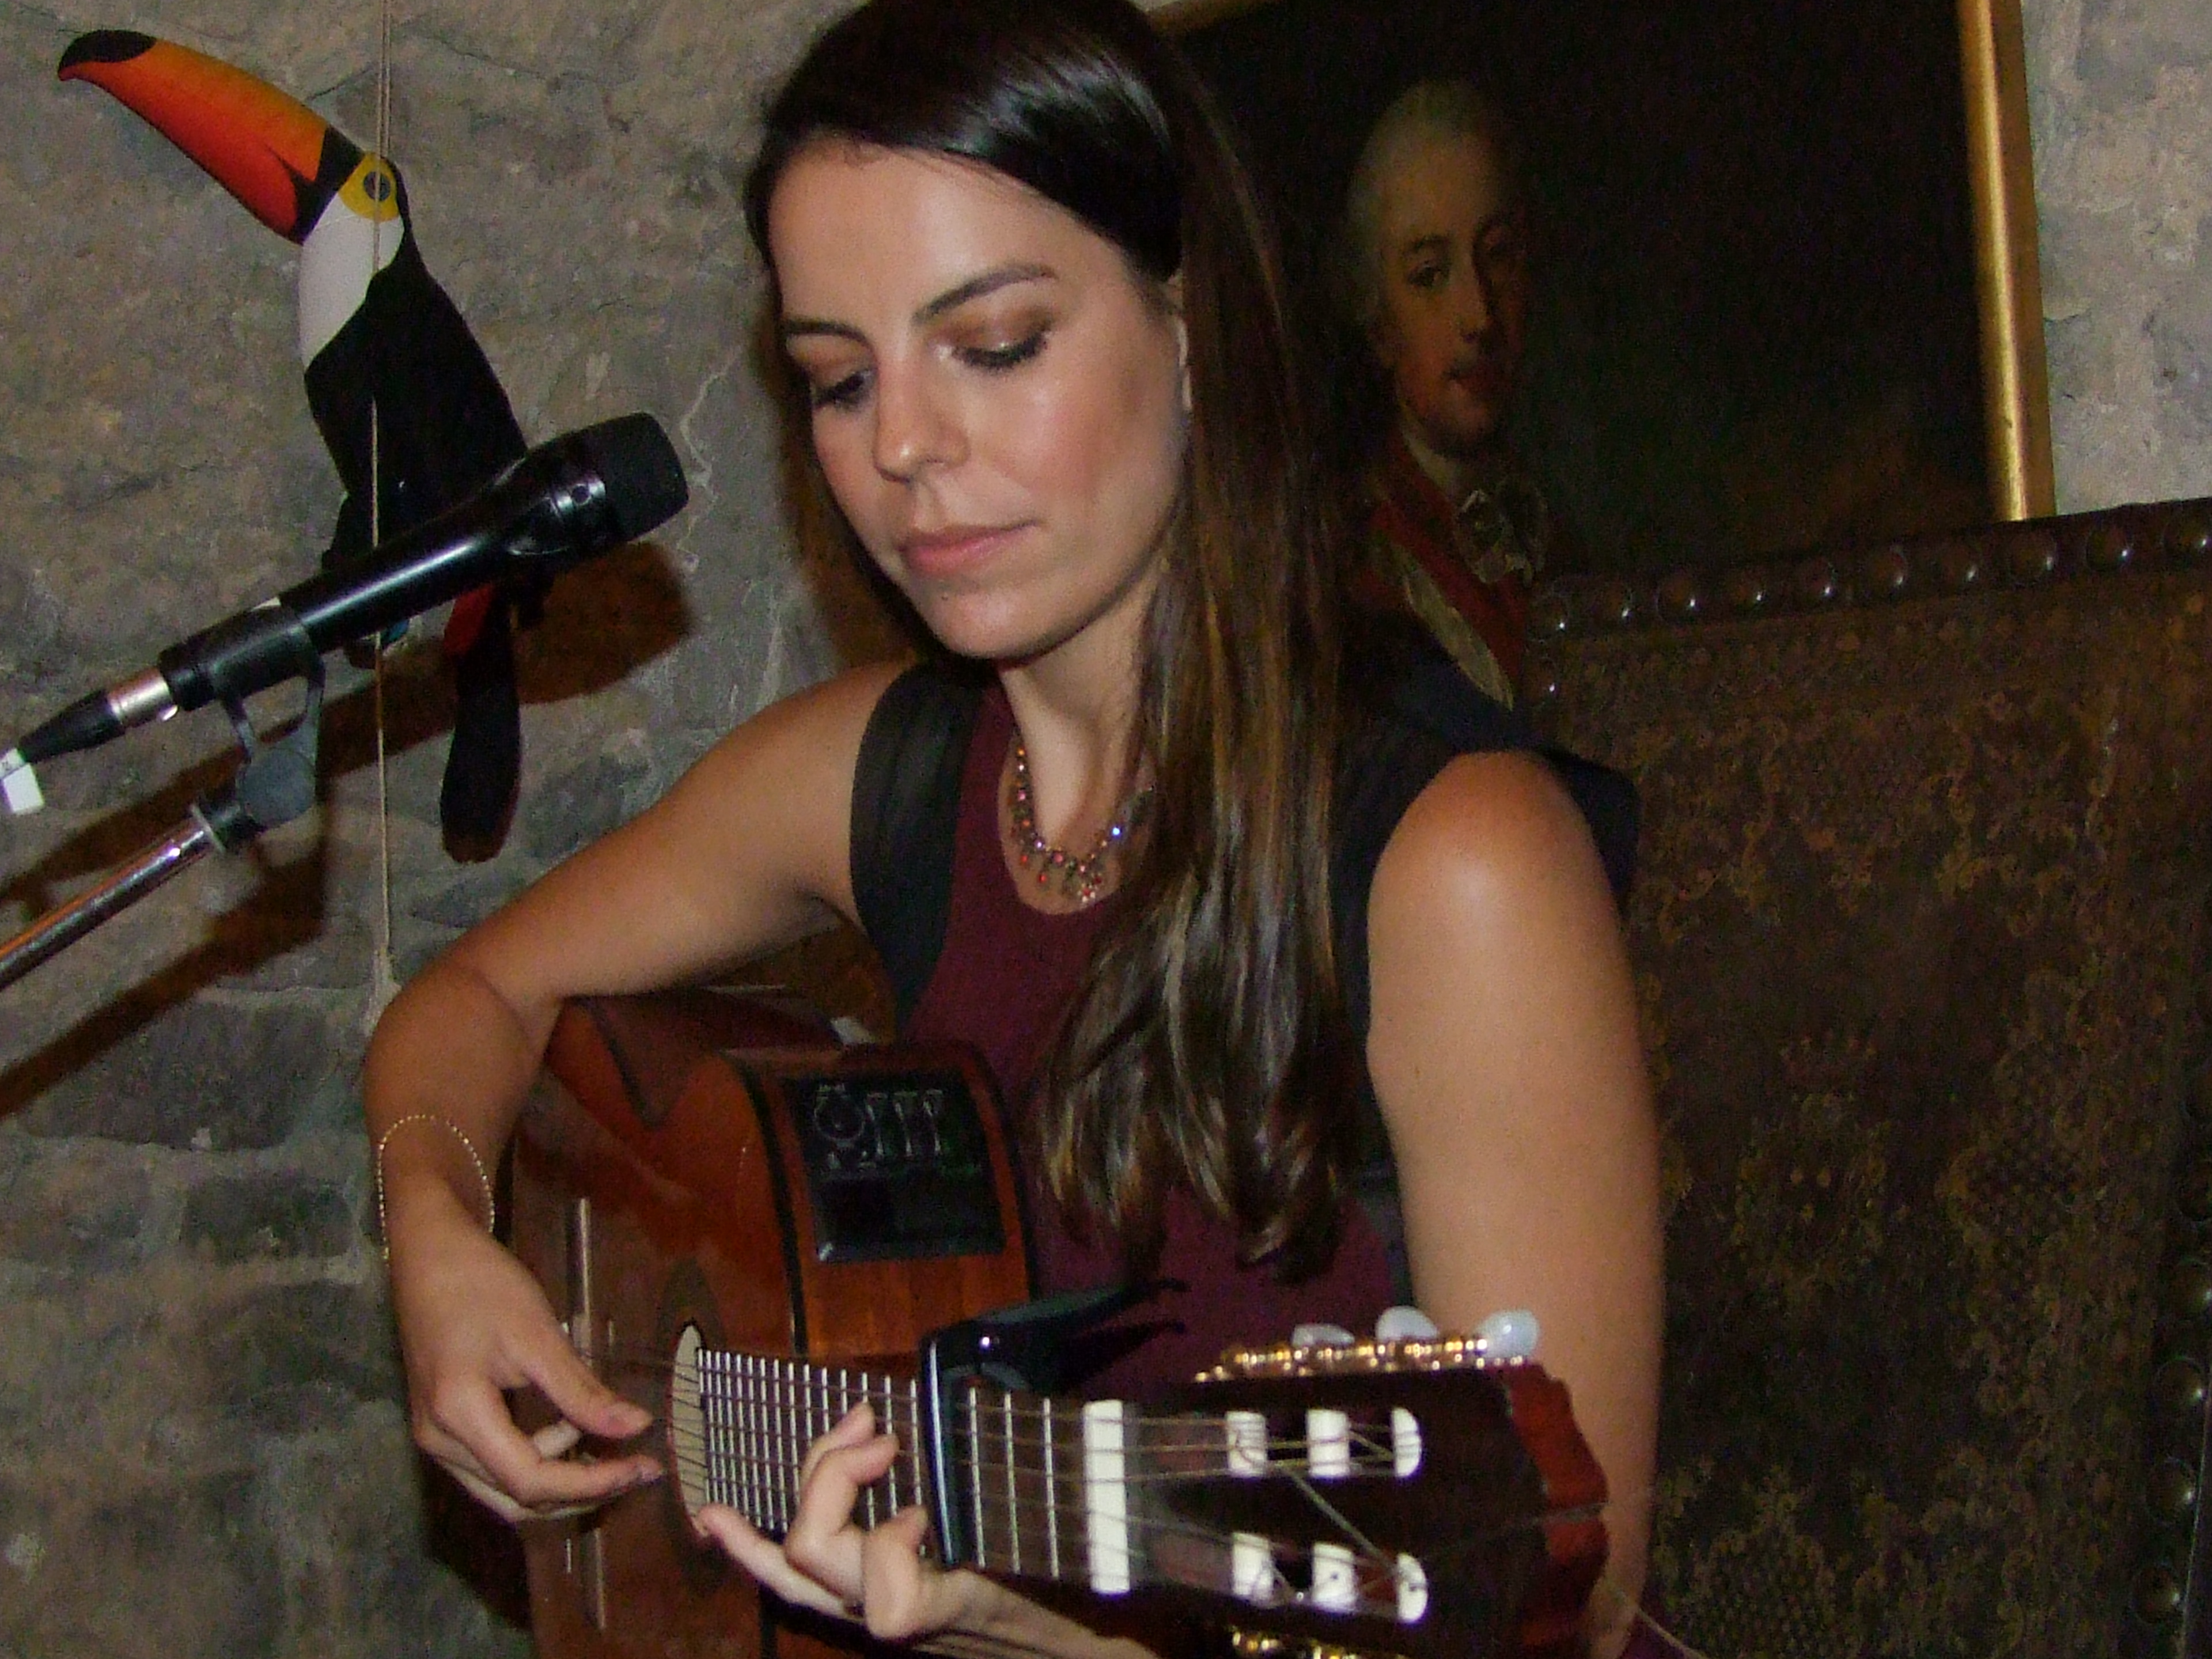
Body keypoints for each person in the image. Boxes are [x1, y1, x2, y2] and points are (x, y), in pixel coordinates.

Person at [362, 2, 1661, 1654]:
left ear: (1189, 326)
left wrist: (1001, 1627)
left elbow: (1568, 1606)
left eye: (990, 344)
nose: (902, 444)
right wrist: (435, 1236)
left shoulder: (1454, 861)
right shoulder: (888, 776)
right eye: (838, 379)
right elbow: (470, 996)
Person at [1338, 79, 1558, 705]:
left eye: (1499, 256)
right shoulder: (1362, 566)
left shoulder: (1551, 523)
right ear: (1379, 323)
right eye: (1431, 276)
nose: (1479, 316)